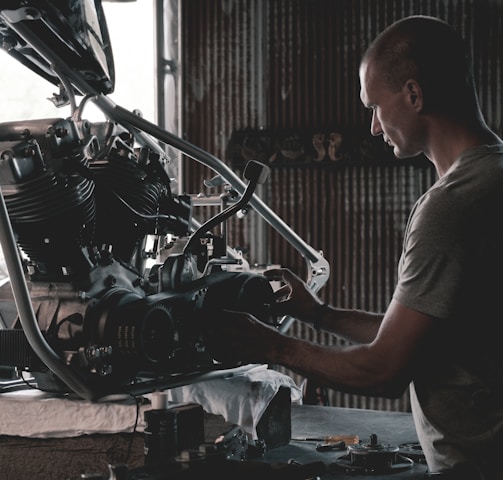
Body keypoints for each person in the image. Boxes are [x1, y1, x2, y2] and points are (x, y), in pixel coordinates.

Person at [209, 15, 503, 480]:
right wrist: (317, 315)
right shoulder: (491, 178)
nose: (371, 127)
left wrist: (269, 344)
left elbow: (384, 370)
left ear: (413, 95)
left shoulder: (451, 206)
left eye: (375, 107)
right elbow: (420, 341)